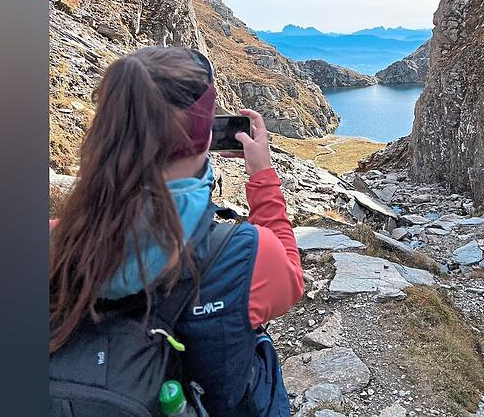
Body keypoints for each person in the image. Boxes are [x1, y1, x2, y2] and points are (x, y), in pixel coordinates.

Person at [49, 46, 302, 415]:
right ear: (204, 138)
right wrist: (262, 177)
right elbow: (291, 277)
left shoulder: (53, 242)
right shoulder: (245, 255)